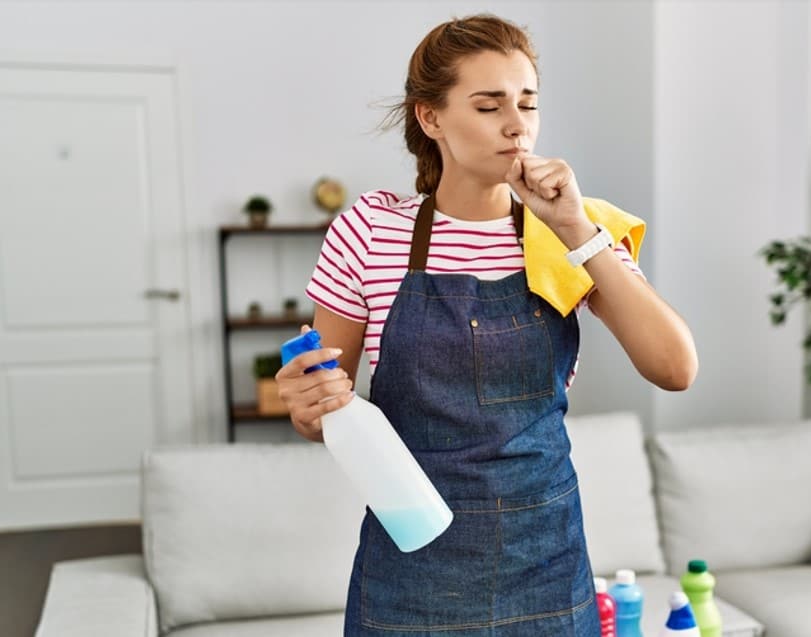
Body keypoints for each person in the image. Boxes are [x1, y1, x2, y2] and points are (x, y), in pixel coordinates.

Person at [276, 13, 697, 636]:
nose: (516, 125)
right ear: (432, 118)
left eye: (528, 104)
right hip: (409, 568)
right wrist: (310, 407)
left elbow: (675, 367)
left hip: (546, 566)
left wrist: (578, 230)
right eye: (488, 105)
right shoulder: (371, 229)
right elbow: (324, 417)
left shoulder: (572, 232)